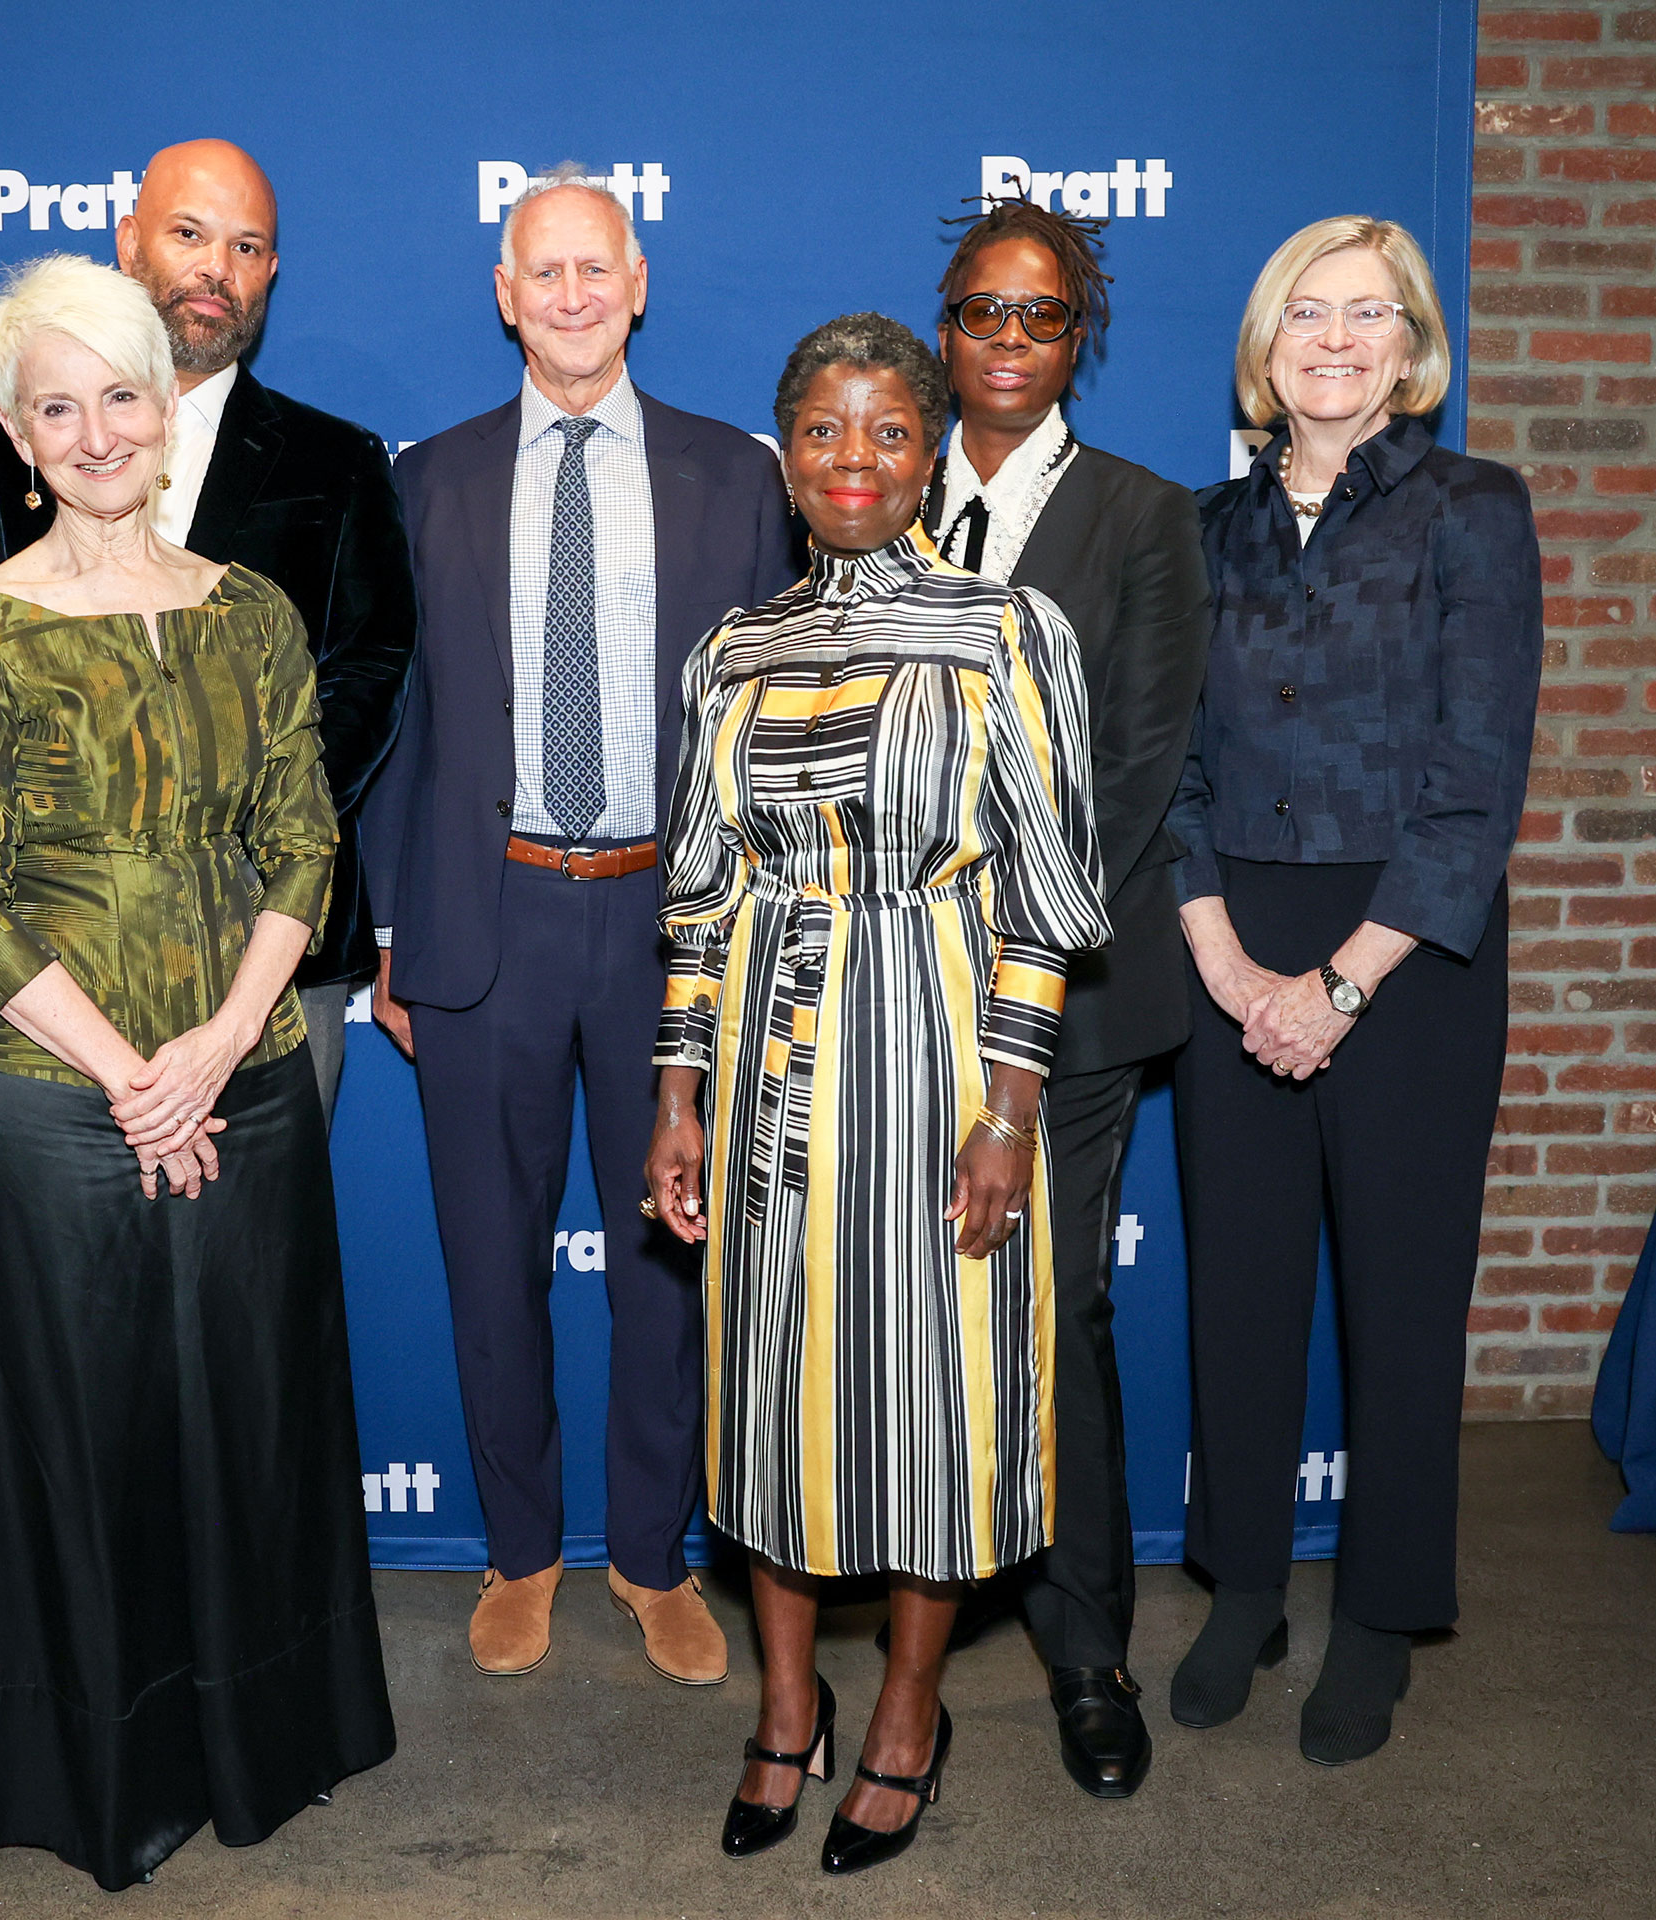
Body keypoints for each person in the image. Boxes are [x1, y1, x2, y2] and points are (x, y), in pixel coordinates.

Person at [0, 253, 392, 1891]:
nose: (98, 427)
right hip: (49, 1116)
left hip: (243, 1086)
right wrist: (129, 1074)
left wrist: (210, 1048)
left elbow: (302, 842)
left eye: (124, 392)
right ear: (17, 435)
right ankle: (96, 1772)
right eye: (61, 404)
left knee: (245, 1438)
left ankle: (260, 1739)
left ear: (165, 410)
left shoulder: (248, 614)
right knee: (79, 1459)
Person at [647, 313, 1109, 1875]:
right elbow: (703, 894)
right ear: (788, 459)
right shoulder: (733, 649)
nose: (856, 460)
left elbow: (1045, 897)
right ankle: (789, 1708)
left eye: (889, 431)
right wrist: (677, 1090)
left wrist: (1010, 1109)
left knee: (929, 1406)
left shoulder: (1007, 630)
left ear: (929, 454)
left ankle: (911, 1708)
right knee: (771, 1394)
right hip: (772, 1065)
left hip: (935, 1056)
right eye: (826, 432)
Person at [364, 166, 801, 1685]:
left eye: (591, 269)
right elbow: (397, 725)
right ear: (503, 293)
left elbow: (770, 729)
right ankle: (521, 1549)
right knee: (490, 1260)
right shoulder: (429, 479)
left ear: (637, 285)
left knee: (670, 1262)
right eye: (538, 271)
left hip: (673, 928)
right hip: (484, 925)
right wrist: (394, 935)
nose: (566, 294)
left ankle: (650, 1554)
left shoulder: (735, 478)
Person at [1165, 216, 1542, 1766]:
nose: (1334, 338)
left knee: (1399, 1297)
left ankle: (1381, 1615)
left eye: (1368, 314)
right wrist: (1229, 962)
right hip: (1230, 952)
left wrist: (1341, 984)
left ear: (1411, 344)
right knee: (1240, 1291)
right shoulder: (1200, 528)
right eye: (1306, 312)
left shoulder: (1474, 509)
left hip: (1413, 954)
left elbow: (1476, 782)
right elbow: (1167, 773)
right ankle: (1244, 1587)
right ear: (1265, 346)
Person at [909, 197, 1212, 1798]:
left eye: (1039, 315)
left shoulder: (1148, 518)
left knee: (1054, 1307)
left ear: (1076, 336)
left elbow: (1136, 769)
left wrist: (982, 945)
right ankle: (911, 1630)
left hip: (1071, 1003)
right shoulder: (872, 498)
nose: (1008, 340)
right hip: (884, 1005)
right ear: (945, 330)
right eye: (981, 312)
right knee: (898, 1315)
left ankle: (1086, 1644)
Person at [0, 138, 416, 1120]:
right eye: (189, 234)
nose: (215, 269)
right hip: (52, 941)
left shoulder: (339, 461)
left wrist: (244, 834)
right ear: (127, 242)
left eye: (246, 247)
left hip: (272, 947)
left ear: (270, 272)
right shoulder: (14, 452)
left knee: (252, 1257)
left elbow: (371, 667)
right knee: (76, 1262)